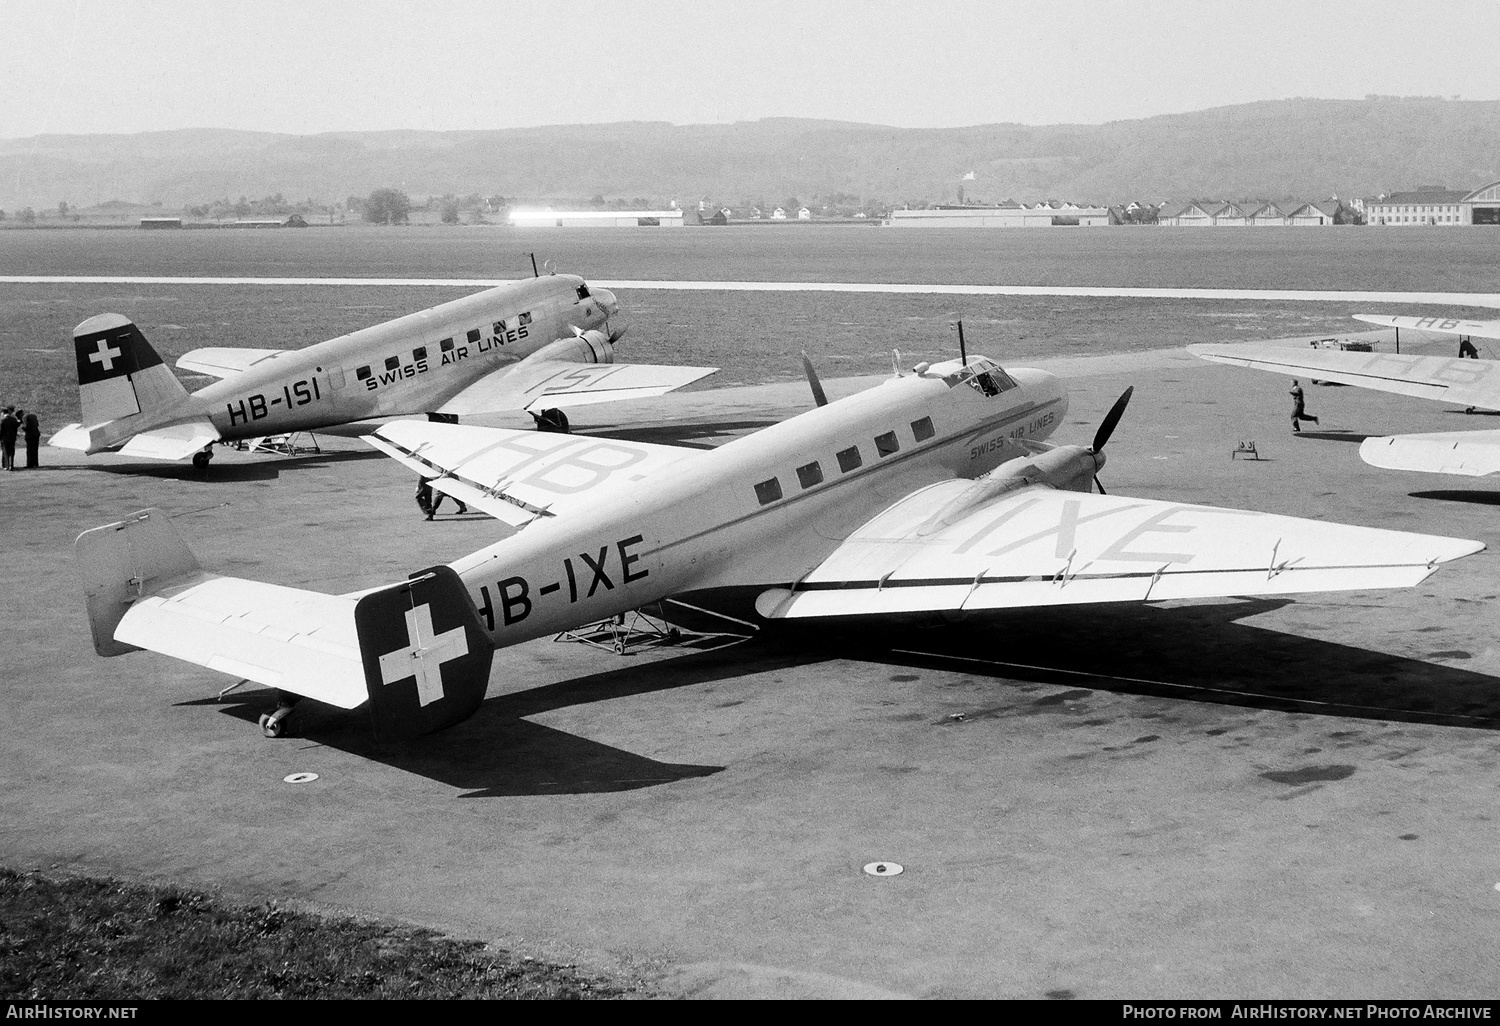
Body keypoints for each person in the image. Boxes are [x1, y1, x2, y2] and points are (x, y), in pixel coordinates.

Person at [0, 407, 16, 471]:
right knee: (11, 452)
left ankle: (6, 466)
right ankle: (11, 465)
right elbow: (16, 428)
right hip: (12, 438)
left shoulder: (3, 420)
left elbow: (1, 430)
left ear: (3, 413)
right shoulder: (14, 419)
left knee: (6, 452)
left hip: (5, 438)